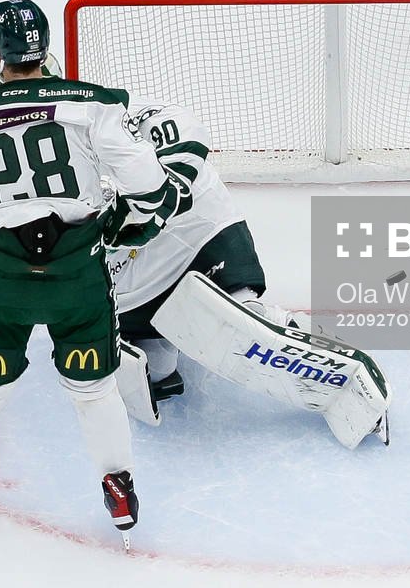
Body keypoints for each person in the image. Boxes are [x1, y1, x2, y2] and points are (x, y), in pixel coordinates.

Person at [0, 0, 183, 546]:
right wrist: (135, 216)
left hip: (4, 281)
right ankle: (118, 490)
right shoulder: (89, 103)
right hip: (78, 276)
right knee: (92, 391)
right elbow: (147, 183)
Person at [109, 101, 391, 448]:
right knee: (155, 366)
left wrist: (151, 202)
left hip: (194, 240)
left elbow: (181, 135)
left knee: (247, 321)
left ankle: (296, 337)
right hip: (129, 285)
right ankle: (158, 339)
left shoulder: (121, 118)